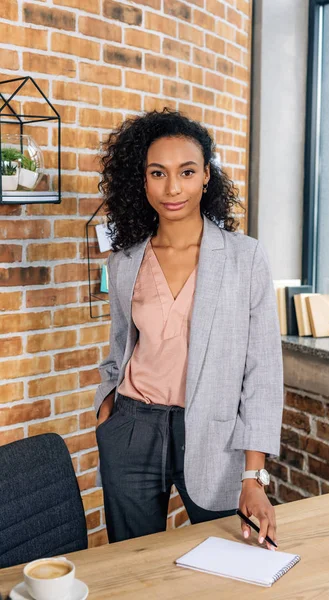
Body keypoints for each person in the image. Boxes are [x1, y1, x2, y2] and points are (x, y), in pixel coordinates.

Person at [94, 108, 283, 549]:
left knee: (230, 562)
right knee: (135, 565)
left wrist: (253, 474)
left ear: (206, 178)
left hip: (217, 438)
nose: (172, 187)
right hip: (132, 428)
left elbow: (263, 372)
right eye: (158, 173)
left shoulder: (245, 258)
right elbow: (121, 344)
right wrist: (107, 409)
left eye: (187, 172)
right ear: (141, 180)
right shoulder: (124, 261)